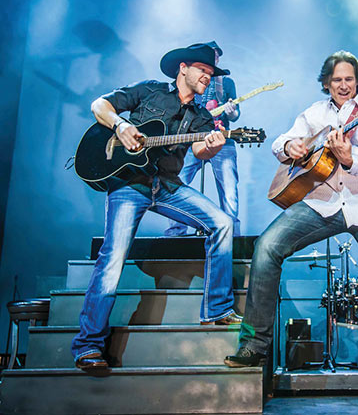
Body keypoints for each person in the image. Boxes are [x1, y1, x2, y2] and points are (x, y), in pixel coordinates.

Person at [224, 51, 358, 412]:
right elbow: (280, 142)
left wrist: (351, 158)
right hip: (323, 202)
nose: (343, 85)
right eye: (337, 79)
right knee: (267, 246)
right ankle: (254, 347)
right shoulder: (314, 113)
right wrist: (290, 146)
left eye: (349, 79)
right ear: (326, 83)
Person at [71, 43, 242, 370]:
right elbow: (99, 105)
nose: (207, 77)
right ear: (183, 68)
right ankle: (88, 345)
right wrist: (121, 126)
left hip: (167, 185)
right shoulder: (150, 91)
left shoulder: (201, 117)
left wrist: (212, 146)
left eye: (211, 73)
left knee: (222, 223)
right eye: (203, 70)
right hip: (129, 184)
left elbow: (200, 152)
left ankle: (216, 310)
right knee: (112, 258)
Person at [165, 41, 242, 236]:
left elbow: (235, 115)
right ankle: (176, 232)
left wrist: (231, 112)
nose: (213, 58)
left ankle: (231, 235)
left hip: (222, 141)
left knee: (229, 190)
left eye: (215, 55)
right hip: (191, 142)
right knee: (177, 182)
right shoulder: (191, 80)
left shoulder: (226, 82)